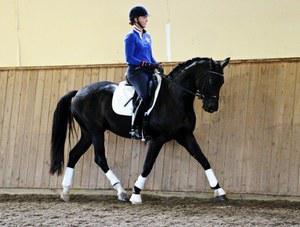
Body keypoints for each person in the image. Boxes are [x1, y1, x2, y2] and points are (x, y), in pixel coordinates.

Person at [124, 6, 162, 139]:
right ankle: (135, 127)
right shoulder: (130, 37)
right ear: (136, 19)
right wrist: (143, 63)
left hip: (148, 71)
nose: (146, 20)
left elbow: (150, 56)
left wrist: (156, 64)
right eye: (144, 17)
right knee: (145, 96)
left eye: (146, 17)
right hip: (136, 72)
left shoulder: (147, 36)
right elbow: (129, 58)